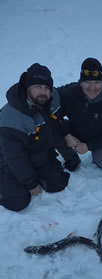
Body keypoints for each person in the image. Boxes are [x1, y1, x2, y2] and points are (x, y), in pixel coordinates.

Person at [0, 63, 79, 212]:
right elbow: (14, 156)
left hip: (38, 154)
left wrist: (70, 156)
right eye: (38, 86)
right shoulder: (11, 118)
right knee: (18, 201)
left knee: (57, 184)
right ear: (27, 87)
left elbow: (56, 126)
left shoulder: (50, 99)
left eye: (46, 87)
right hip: (8, 159)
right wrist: (30, 183)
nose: (43, 92)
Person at [57, 57, 102, 169]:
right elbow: (51, 105)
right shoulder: (71, 93)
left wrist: (88, 146)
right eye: (87, 82)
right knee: (53, 129)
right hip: (77, 131)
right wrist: (66, 134)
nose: (92, 87)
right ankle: (71, 158)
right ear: (81, 82)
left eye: (97, 82)